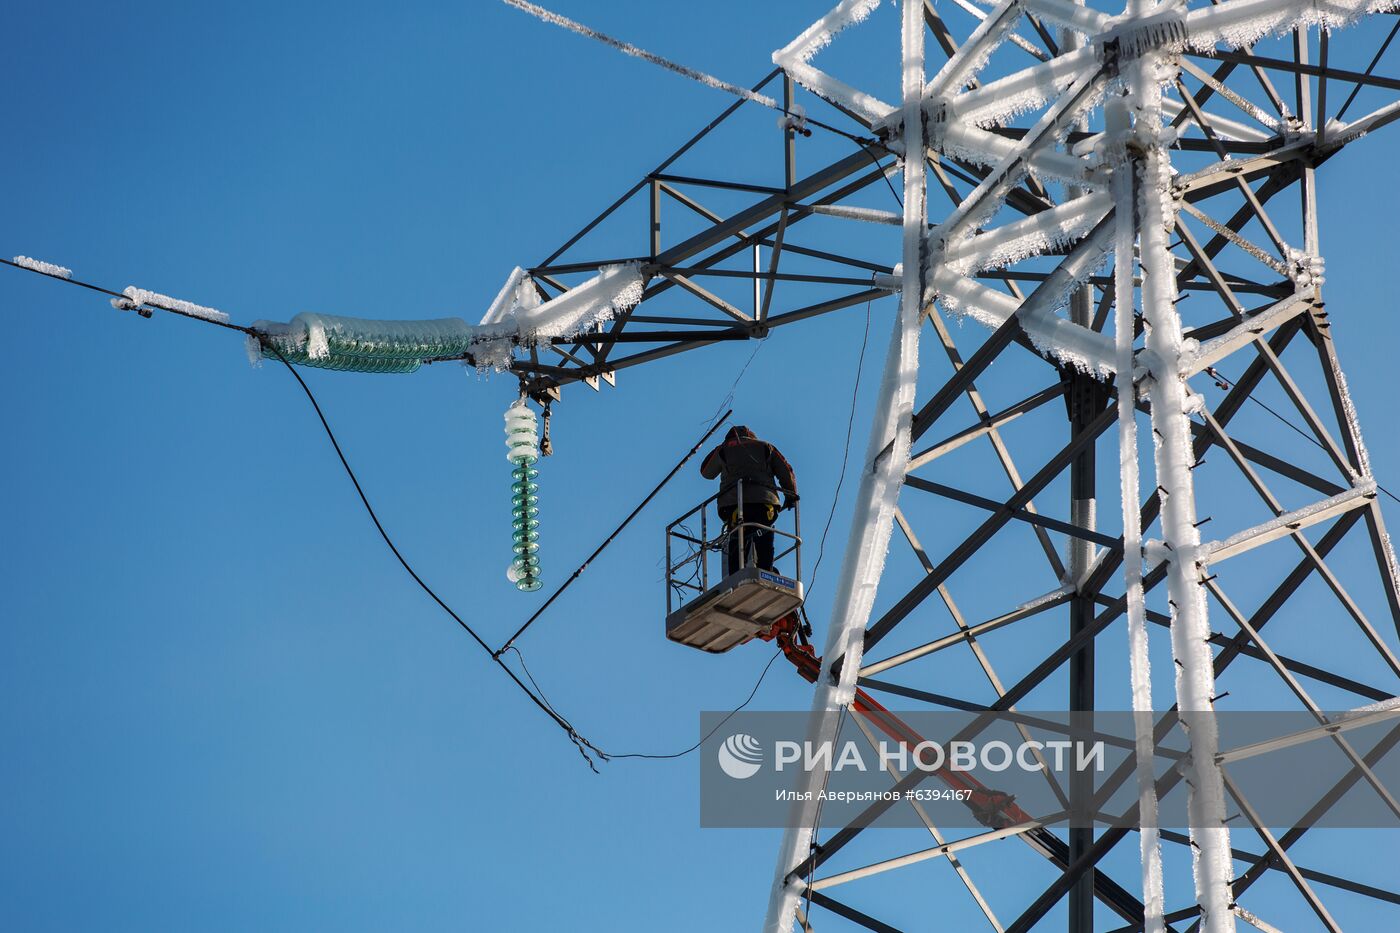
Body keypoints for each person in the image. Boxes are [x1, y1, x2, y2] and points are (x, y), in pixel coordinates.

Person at [699, 425, 797, 575]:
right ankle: (767, 571)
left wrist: (721, 447)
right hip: (764, 504)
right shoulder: (765, 447)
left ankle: (735, 575)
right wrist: (790, 496)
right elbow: (786, 471)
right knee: (764, 535)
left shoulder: (724, 449)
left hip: (734, 506)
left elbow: (706, 472)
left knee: (737, 539)